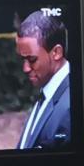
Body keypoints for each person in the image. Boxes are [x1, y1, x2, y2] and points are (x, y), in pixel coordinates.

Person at [14, 9, 74, 150]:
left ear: (56, 52)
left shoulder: (69, 105)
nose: (25, 68)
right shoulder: (48, 91)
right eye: (23, 59)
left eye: (32, 60)